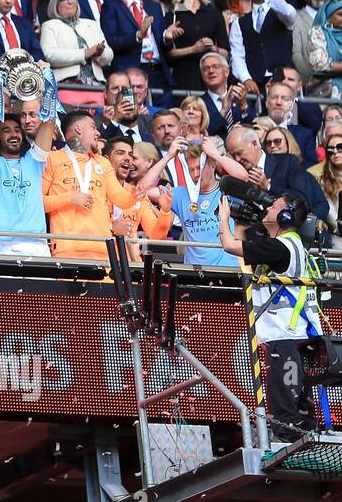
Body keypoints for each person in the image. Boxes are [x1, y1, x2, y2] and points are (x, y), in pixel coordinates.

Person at [215, 191, 324, 438]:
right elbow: (247, 263)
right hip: (298, 336)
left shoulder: (280, 247)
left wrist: (224, 218)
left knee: (285, 408)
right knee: (300, 403)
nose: (267, 209)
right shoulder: (290, 245)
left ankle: (292, 447)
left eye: (274, 206)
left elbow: (229, 245)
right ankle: (306, 440)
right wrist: (241, 224)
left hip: (286, 336)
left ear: (285, 217)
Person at [0, 59, 57, 255]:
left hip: (38, 244)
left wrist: (47, 78)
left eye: (17, 130)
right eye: (6, 130)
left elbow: (49, 121)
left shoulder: (35, 160)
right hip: (3, 243)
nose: (13, 134)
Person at [42, 110, 143, 261]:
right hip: (67, 248)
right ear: (78, 129)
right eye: (93, 127)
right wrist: (69, 198)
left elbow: (120, 199)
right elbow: (38, 204)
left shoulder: (103, 162)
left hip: (102, 248)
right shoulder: (52, 158)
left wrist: (133, 196)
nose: (97, 133)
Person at [138, 135, 247, 267]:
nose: (196, 174)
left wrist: (215, 154)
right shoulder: (181, 194)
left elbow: (243, 177)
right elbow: (143, 189)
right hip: (194, 273)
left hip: (228, 271)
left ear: (213, 166)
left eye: (199, 168)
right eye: (191, 170)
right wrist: (167, 157)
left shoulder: (227, 190)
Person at [40, 0, 112, 88]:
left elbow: (109, 55)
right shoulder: (49, 25)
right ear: (56, 4)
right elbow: (50, 55)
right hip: (66, 84)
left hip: (97, 84)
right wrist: (85, 54)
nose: (69, 2)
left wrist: (99, 53)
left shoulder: (91, 24)